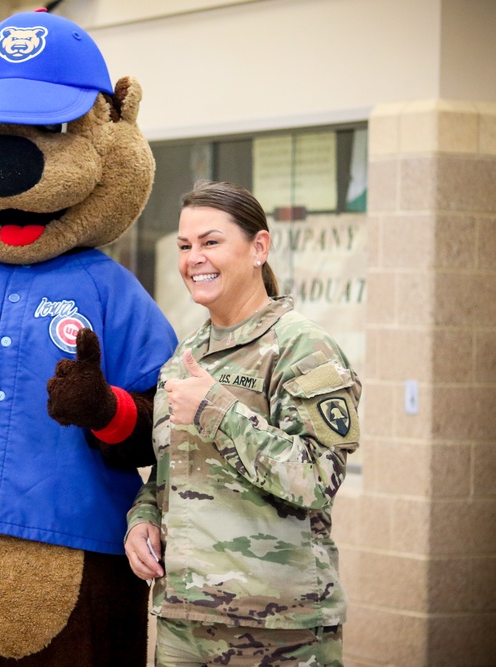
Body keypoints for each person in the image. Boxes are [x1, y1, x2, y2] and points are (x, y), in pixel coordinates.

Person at [125, 180, 361, 667]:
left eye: (211, 242)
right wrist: (142, 518)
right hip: (183, 621)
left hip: (279, 628)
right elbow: (173, 477)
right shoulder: (184, 358)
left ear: (259, 247)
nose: (195, 258)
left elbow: (316, 479)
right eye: (185, 246)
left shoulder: (301, 347)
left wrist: (217, 409)